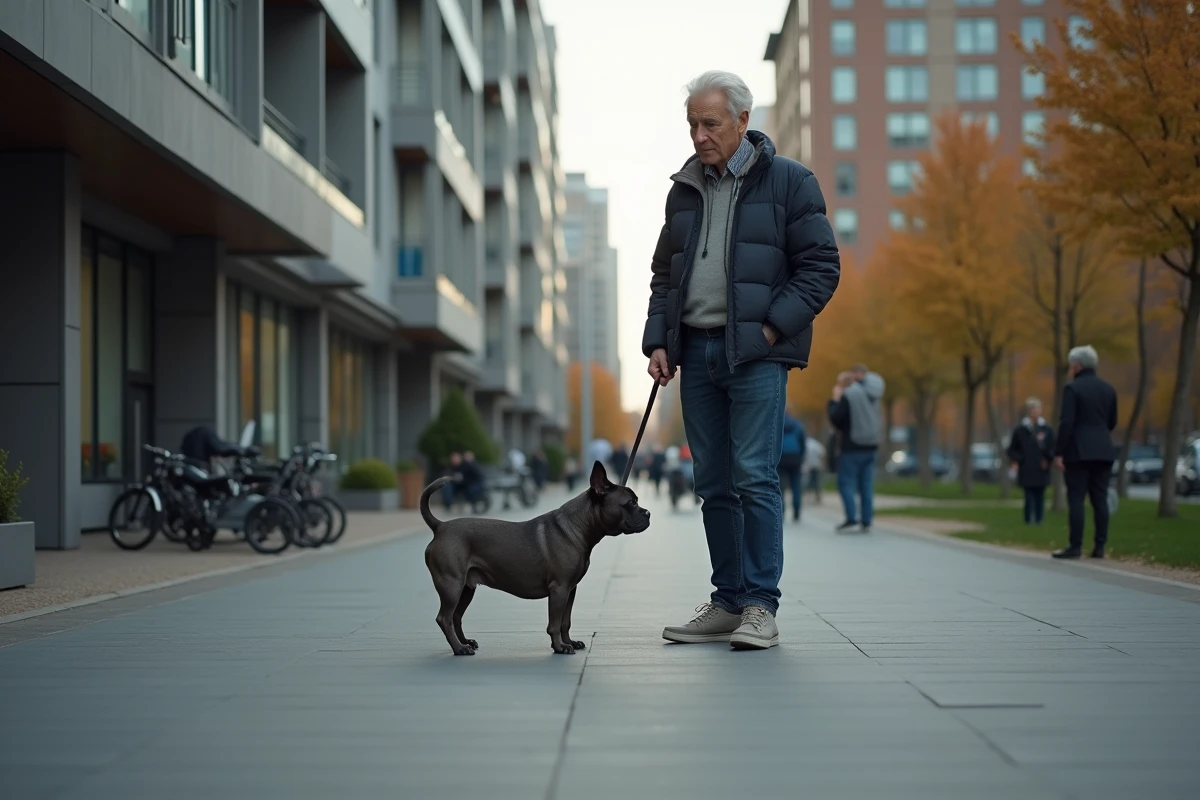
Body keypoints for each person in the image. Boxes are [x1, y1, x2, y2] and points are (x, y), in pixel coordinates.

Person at [645, 70, 840, 650]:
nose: (699, 135)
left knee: (754, 476)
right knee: (713, 483)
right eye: (692, 124)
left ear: (742, 121)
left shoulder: (791, 182)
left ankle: (760, 607)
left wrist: (770, 328)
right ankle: (728, 602)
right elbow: (664, 276)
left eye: (710, 123)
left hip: (755, 355)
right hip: (696, 350)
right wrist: (659, 341)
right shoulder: (683, 188)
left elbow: (821, 268)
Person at [1052, 346, 1118, 559]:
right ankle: (1100, 546)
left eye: (1071, 365)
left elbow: (1067, 422)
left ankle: (1075, 546)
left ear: (1077, 365)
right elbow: (1112, 422)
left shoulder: (1072, 389)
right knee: (1100, 499)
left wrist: (1059, 452)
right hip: (1104, 449)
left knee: (1076, 498)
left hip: (1078, 451)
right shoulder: (1108, 389)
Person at [827, 365, 885, 533]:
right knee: (866, 484)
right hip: (871, 445)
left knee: (845, 482)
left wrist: (835, 400)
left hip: (852, 445)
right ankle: (866, 519)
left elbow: (837, 419)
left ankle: (851, 517)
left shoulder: (850, 394)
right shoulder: (875, 393)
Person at [1006, 397, 1055, 525]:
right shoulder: (1020, 430)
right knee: (1028, 495)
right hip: (1026, 467)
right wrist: (1018, 460)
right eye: (1032, 409)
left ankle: (1039, 520)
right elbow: (1012, 449)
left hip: (1041, 468)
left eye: (1037, 408)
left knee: (1040, 496)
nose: (1035, 411)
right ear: (1028, 411)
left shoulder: (1046, 429)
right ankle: (1028, 520)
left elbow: (1052, 447)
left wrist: (1048, 459)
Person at [779, 411, 807, 522]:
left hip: (781, 459)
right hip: (795, 459)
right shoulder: (798, 425)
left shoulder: (778, 424)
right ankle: (796, 511)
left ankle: (782, 511)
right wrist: (801, 458)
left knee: (780, 487)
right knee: (796, 486)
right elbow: (802, 443)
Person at [804, 433, 826, 504]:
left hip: (808, 466)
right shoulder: (816, 444)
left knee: (807, 481)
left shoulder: (806, 443)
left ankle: (806, 495)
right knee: (817, 481)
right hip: (816, 465)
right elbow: (822, 452)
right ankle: (818, 496)